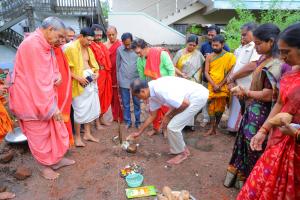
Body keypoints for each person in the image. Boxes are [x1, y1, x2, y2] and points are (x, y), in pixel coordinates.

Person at [237, 23, 300, 200]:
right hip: (280, 140)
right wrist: (264, 131)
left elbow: (269, 95)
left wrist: (296, 134)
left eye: (287, 52)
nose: (283, 57)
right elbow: (280, 102)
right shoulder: (291, 73)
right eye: (281, 51)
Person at [8, 17, 75, 180]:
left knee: (53, 130)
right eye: (59, 36)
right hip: (30, 100)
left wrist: (57, 75)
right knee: (39, 135)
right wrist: (52, 108)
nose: (60, 41)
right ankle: (44, 167)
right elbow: (38, 82)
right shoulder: (33, 45)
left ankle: (56, 160)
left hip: (44, 98)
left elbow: (51, 68)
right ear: (50, 29)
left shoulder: (46, 44)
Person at [224, 23, 286, 189]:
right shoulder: (263, 59)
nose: (256, 47)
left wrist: (247, 92)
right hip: (253, 110)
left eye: (259, 44)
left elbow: (268, 94)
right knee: (244, 143)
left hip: (263, 114)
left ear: (271, 42)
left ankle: (255, 183)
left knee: (254, 147)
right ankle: (243, 180)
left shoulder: (276, 65)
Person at [128, 77, 208, 164]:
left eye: (137, 96)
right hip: (187, 98)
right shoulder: (152, 94)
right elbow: (152, 116)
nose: (138, 99)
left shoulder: (160, 90)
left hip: (197, 97)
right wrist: (139, 133)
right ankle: (181, 149)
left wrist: (169, 115)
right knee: (172, 125)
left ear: (143, 91)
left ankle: (182, 154)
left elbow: (185, 104)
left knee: (173, 127)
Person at [64, 27, 100, 147]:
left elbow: (93, 64)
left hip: (90, 81)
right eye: (88, 40)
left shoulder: (88, 49)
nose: (90, 43)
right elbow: (64, 69)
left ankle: (88, 134)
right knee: (79, 110)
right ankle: (78, 137)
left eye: (92, 40)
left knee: (90, 108)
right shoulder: (70, 48)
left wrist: (96, 73)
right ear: (81, 37)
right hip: (78, 83)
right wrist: (77, 77)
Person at [131, 38, 175, 136]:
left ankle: (165, 129)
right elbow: (142, 78)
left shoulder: (161, 54)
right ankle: (156, 128)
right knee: (153, 110)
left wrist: (171, 86)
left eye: (139, 52)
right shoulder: (140, 60)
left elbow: (171, 70)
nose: (138, 55)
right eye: (136, 53)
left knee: (166, 109)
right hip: (151, 88)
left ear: (145, 47)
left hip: (166, 87)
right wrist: (145, 94)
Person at [226, 23, 260, 133]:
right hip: (237, 85)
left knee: (246, 113)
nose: (243, 37)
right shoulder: (244, 47)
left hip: (247, 87)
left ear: (254, 32)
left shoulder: (256, 47)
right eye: (242, 35)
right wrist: (230, 79)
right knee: (238, 110)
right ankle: (237, 130)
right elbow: (235, 66)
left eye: (245, 34)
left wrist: (232, 77)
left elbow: (252, 66)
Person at [204, 35, 236, 136]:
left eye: (217, 45)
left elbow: (231, 71)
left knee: (220, 108)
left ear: (222, 44)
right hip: (211, 85)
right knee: (210, 106)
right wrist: (214, 84)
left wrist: (220, 85)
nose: (214, 47)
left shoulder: (230, 56)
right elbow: (206, 72)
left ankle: (215, 127)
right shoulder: (209, 56)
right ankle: (211, 128)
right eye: (213, 45)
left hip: (223, 85)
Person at [90, 24, 113, 128]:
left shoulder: (102, 45)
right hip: (97, 75)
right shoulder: (90, 45)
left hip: (105, 74)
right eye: (96, 34)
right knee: (97, 97)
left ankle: (101, 117)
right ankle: (96, 122)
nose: (99, 36)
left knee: (104, 96)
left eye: (100, 34)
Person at [116, 33, 140, 129]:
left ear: (132, 41)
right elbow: (117, 66)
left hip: (136, 79)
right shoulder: (119, 50)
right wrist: (118, 79)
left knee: (137, 102)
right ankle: (128, 121)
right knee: (125, 103)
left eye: (129, 44)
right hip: (124, 79)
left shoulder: (137, 49)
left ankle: (138, 122)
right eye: (125, 44)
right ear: (122, 43)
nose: (128, 46)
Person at [54, 33, 74, 146]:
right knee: (58, 119)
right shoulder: (49, 51)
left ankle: (64, 144)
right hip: (57, 92)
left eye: (63, 37)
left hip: (65, 90)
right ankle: (59, 146)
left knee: (65, 117)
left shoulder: (60, 50)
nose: (61, 40)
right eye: (59, 37)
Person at [104, 26, 123, 122]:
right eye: (109, 35)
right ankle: (114, 115)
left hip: (117, 73)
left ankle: (120, 116)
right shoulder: (104, 45)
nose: (111, 36)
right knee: (110, 95)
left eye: (113, 34)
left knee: (118, 96)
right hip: (107, 73)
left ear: (116, 34)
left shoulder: (120, 45)